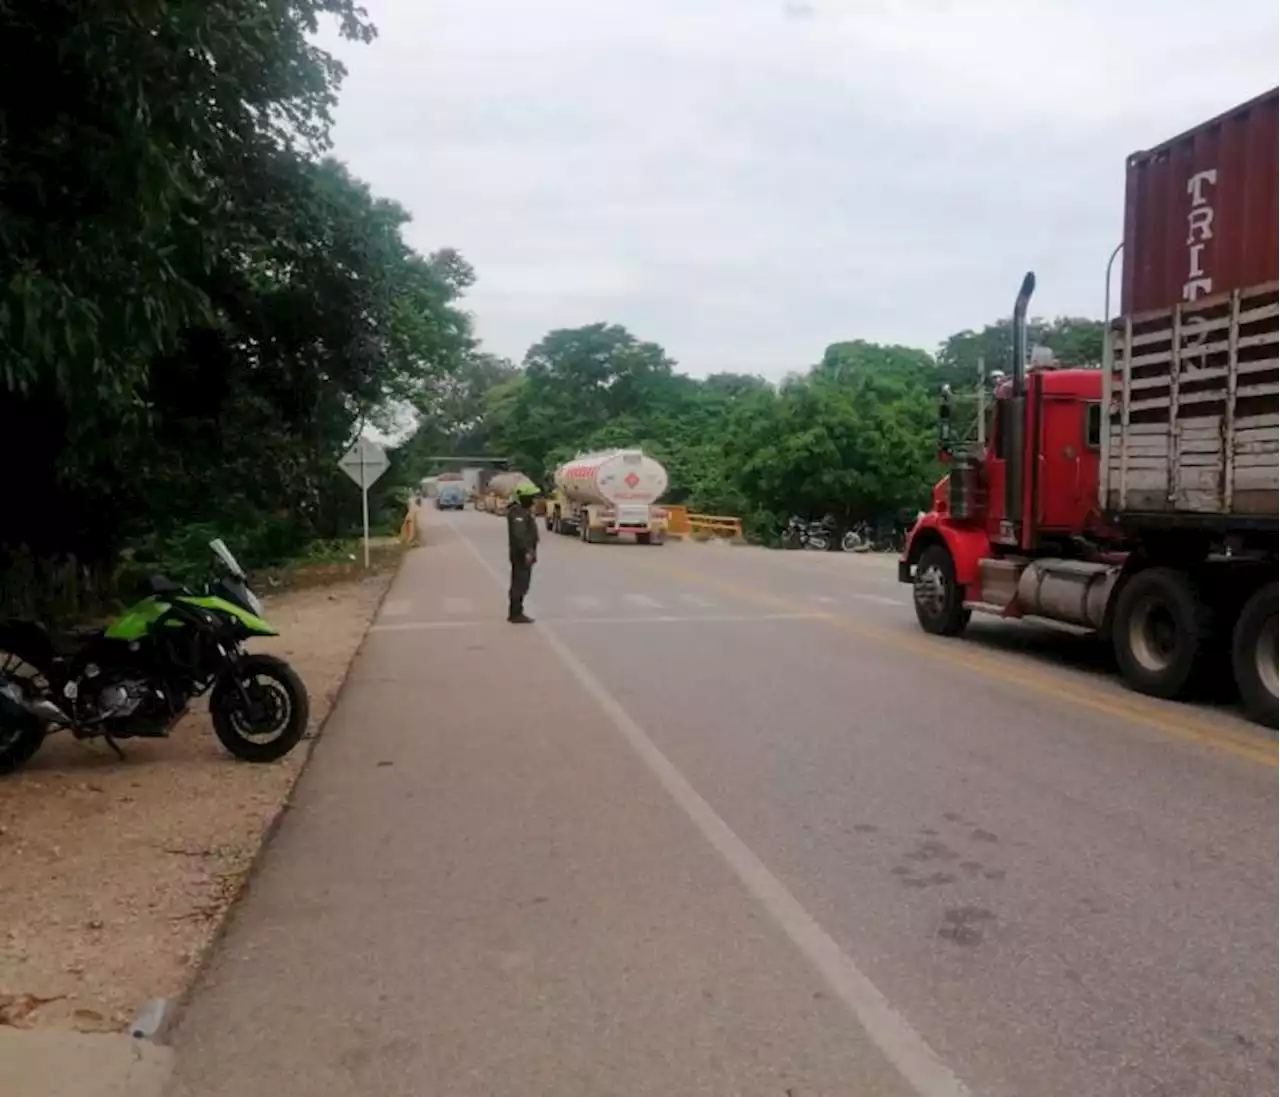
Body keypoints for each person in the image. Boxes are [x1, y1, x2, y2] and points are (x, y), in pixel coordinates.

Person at [506, 482, 540, 623]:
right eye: (531, 497)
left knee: (523, 583)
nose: (533, 500)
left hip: (525, 553)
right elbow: (519, 535)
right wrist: (527, 551)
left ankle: (517, 611)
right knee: (520, 583)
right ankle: (515, 613)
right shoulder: (518, 513)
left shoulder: (523, 512)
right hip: (521, 554)